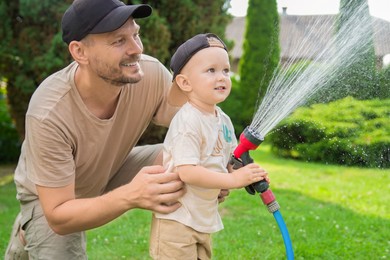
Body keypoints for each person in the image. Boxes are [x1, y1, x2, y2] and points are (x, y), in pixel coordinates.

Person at [3, 0, 199, 258]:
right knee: (58, 237)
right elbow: (60, 216)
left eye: (136, 34)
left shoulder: (148, 73)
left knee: (183, 156)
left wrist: (217, 163)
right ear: (79, 52)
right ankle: (29, 229)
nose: (136, 49)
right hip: (52, 198)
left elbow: (195, 123)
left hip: (110, 167)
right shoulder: (49, 113)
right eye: (118, 41)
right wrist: (132, 195)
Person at [149, 33, 270, 260]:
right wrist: (232, 180)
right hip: (176, 219)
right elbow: (187, 172)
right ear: (185, 83)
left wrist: (244, 173)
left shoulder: (222, 119)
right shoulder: (188, 121)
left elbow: (229, 161)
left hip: (202, 218)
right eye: (211, 71)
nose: (222, 77)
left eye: (225, 70)